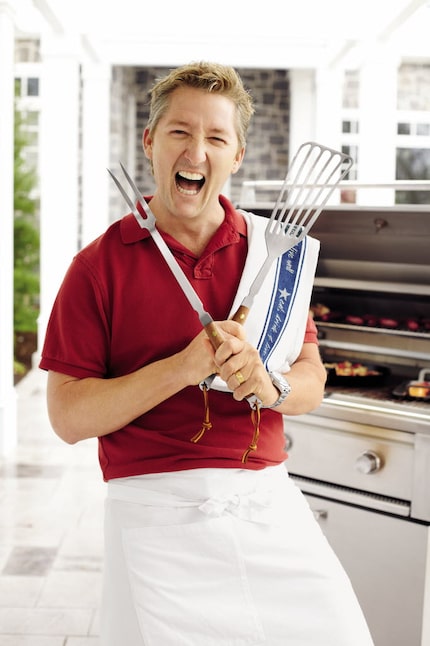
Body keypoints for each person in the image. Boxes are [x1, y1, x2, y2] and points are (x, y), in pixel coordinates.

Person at [39, 62, 374, 646]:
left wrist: (271, 386)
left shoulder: (277, 257)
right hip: (153, 511)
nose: (196, 151)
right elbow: (68, 418)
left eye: (216, 137)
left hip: (267, 504)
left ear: (237, 155)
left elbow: (312, 380)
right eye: (179, 132)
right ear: (149, 142)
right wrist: (184, 368)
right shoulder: (97, 268)